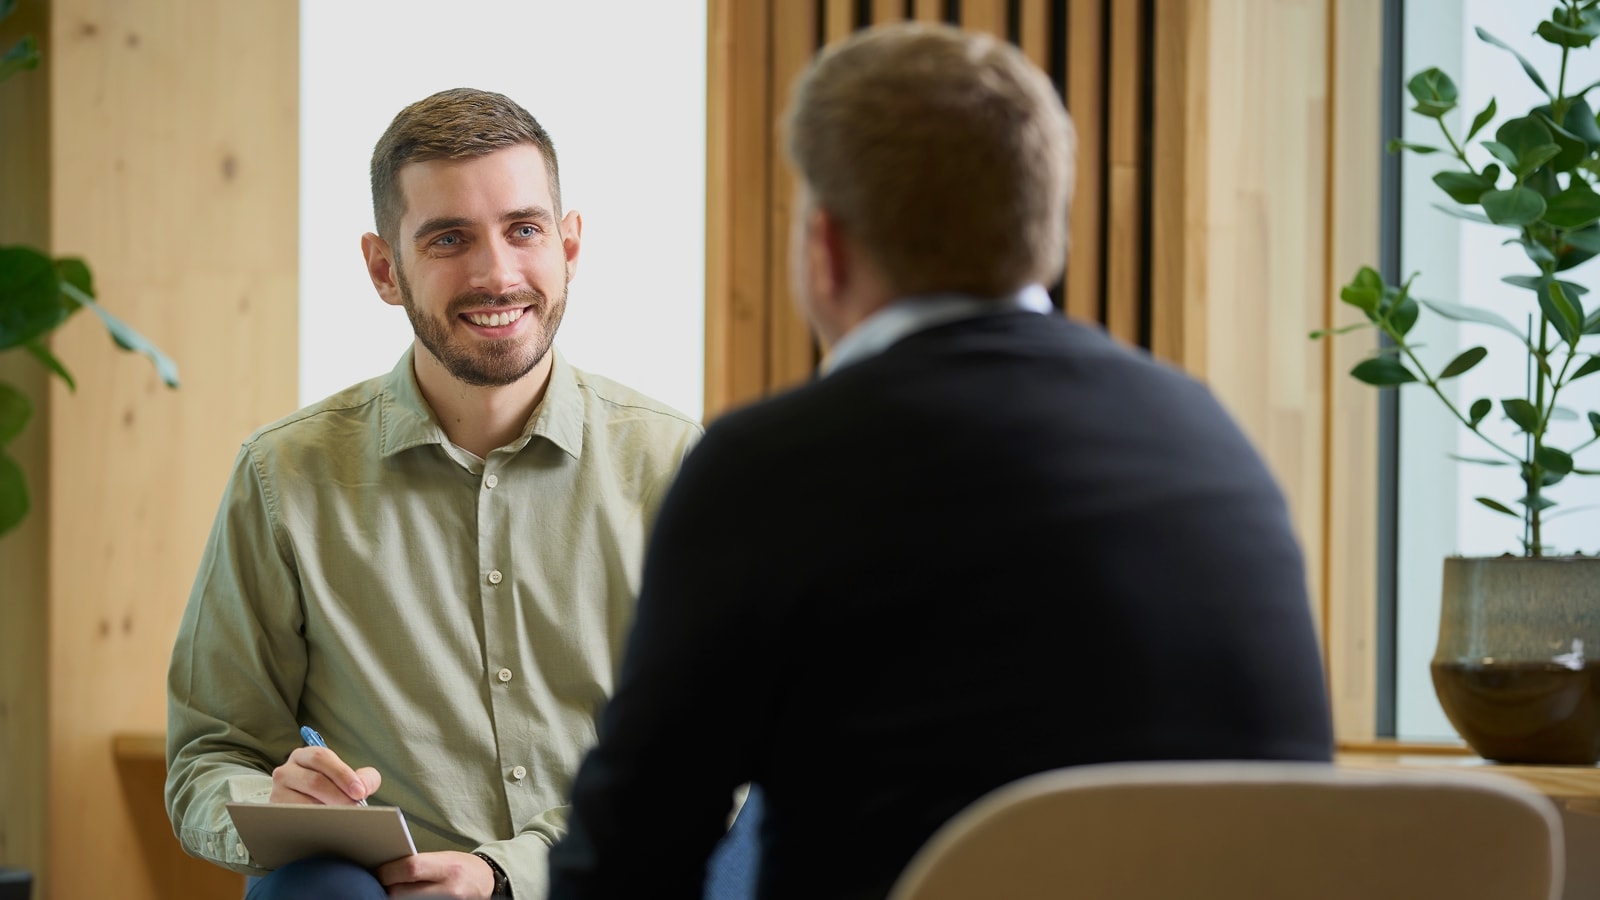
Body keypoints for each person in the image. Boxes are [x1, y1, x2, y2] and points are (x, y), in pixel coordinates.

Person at [545, 22, 1335, 900]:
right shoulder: (1212, 440)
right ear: (1046, 231)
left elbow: (627, 863)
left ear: (825, 248)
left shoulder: (771, 470)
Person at [165, 87, 708, 900]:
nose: (497, 274)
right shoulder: (283, 476)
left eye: (524, 230)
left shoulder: (674, 464)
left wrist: (503, 874)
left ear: (569, 246)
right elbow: (212, 754)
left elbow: (706, 754)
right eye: (449, 238)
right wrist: (273, 805)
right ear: (384, 270)